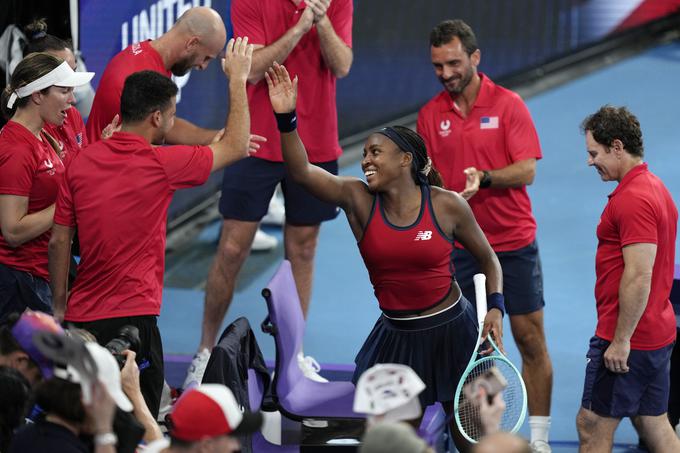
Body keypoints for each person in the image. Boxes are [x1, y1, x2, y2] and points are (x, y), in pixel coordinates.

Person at [266, 62, 503, 452]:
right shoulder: (357, 199)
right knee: (394, 443)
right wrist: (286, 119)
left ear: (405, 159)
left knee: (476, 439)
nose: (366, 161)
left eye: (376, 152)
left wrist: (495, 308)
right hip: (396, 341)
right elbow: (303, 173)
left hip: (457, 333)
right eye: (364, 155)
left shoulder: (447, 206)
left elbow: (489, 260)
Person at [47, 37, 254, 418]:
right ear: (156, 117)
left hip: (80, 316)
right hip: (134, 322)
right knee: (138, 424)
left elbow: (61, 240)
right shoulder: (162, 163)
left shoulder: (80, 162)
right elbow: (237, 145)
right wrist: (237, 80)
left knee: (82, 419)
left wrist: (59, 304)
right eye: (173, 115)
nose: (173, 122)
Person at [185, 0, 354, 387]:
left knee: (304, 249)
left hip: (315, 142)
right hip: (255, 140)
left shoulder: (337, 1)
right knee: (231, 249)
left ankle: (292, 357)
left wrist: (322, 19)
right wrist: (299, 28)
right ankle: (205, 352)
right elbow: (254, 69)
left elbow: (342, 64)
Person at [416, 19, 553, 452]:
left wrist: (486, 178)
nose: (445, 72)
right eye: (438, 65)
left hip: (512, 243)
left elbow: (527, 168)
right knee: (478, 347)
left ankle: (540, 439)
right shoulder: (429, 114)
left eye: (454, 62)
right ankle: (486, 440)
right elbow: (427, 180)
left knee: (530, 339)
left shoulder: (508, 105)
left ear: (475, 58)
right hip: (460, 249)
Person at [576, 105, 680, 452]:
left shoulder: (634, 199)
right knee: (654, 422)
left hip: (628, 336)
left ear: (617, 146)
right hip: (655, 331)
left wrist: (620, 340)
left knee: (591, 426)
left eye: (594, 153)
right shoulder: (653, 186)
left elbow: (638, 275)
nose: (590, 162)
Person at [0, 53, 93, 322]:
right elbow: (13, 230)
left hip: (39, 278)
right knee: (43, 363)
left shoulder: (43, 135)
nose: (73, 100)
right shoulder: (16, 150)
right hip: (18, 287)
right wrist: (66, 204)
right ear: (38, 95)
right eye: (64, 91)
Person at [85, 6, 225, 145]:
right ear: (192, 43)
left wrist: (214, 137)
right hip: (105, 165)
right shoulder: (138, 80)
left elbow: (166, 124)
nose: (203, 66)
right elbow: (146, 155)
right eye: (206, 58)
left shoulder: (153, 60)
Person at [141, 384, 262, 453]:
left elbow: (157, 441)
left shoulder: (160, 448)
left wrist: (134, 391)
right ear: (206, 446)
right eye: (231, 437)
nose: (236, 446)